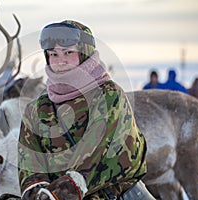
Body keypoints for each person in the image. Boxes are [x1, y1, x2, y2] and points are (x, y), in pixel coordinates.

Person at [18, 20, 155, 200]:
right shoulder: (37, 108)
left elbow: (96, 152)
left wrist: (59, 193)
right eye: (54, 54)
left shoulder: (108, 96)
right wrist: (37, 192)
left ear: (85, 53)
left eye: (68, 52)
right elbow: (29, 159)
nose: (61, 61)